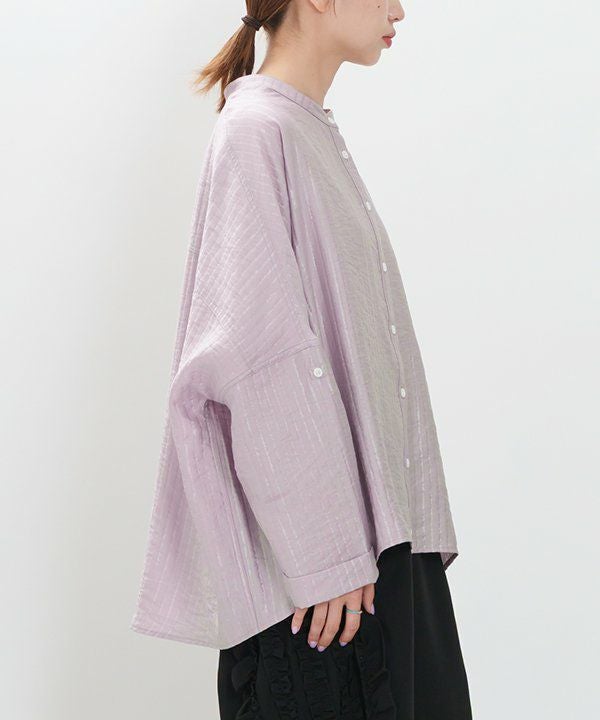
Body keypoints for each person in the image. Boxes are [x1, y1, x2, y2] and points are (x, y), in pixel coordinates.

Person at [130, 2, 473, 718]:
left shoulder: (304, 131)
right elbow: (256, 359)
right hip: (326, 594)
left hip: (381, 562)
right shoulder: (258, 131)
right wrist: (327, 555)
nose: (398, 9)